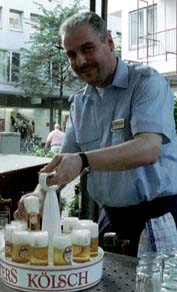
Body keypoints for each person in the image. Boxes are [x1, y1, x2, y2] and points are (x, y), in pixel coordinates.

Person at [14, 11, 177, 257]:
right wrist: (38, 194)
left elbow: (148, 148)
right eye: (71, 54)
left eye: (87, 48)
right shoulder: (80, 103)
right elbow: (65, 161)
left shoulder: (146, 82)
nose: (80, 61)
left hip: (157, 217)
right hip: (107, 220)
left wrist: (84, 160)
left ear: (109, 42)